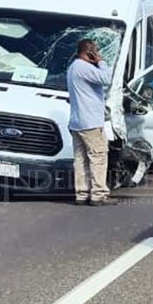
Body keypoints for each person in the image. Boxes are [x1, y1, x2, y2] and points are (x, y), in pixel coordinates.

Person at [67, 39, 118, 206]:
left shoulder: (73, 67)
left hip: (77, 121)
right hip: (90, 122)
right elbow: (106, 78)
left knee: (81, 159)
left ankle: (81, 193)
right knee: (98, 157)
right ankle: (98, 194)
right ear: (89, 52)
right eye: (95, 51)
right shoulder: (84, 67)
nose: (97, 54)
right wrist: (101, 62)